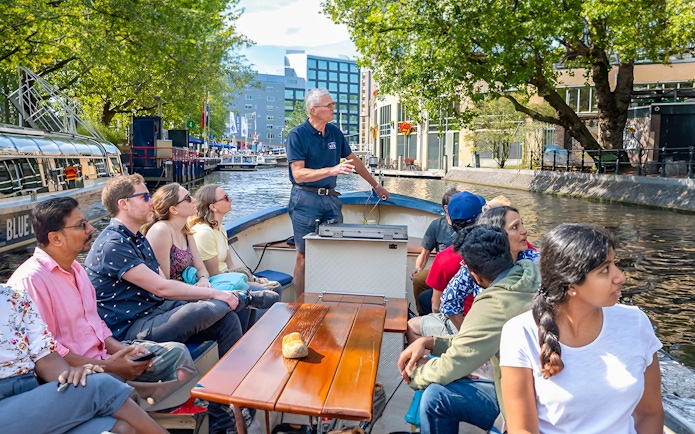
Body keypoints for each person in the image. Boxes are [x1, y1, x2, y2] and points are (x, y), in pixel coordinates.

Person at [84, 174, 245, 434]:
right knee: (207, 307)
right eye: (145, 196)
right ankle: (244, 298)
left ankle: (223, 418)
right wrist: (215, 295)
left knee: (228, 320)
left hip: (156, 312)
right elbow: (160, 287)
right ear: (123, 204)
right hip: (131, 329)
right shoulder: (113, 243)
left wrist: (210, 292)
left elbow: (164, 287)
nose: (151, 202)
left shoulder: (137, 238)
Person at [8, 197, 196, 396]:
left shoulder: (77, 270)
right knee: (118, 384)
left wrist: (124, 350)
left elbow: (96, 326)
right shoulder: (31, 281)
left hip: (103, 357)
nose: (90, 229)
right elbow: (48, 352)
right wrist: (109, 366)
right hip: (78, 373)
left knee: (177, 353)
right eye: (81, 225)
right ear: (56, 238)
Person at [500, 223, 664, 433]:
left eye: (615, 264)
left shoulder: (636, 322)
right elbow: (523, 429)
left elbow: (649, 413)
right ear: (571, 285)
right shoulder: (520, 333)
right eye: (605, 269)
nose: (620, 277)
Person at [397, 225, 540, 433]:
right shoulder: (531, 272)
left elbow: (454, 364)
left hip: (521, 407)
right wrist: (431, 342)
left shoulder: (494, 305)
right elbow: (476, 339)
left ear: (475, 274)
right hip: (534, 391)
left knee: (435, 397)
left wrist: (415, 375)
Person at [0, 283, 166, 434]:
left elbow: (46, 358)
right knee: (100, 385)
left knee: (121, 428)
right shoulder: (30, 279)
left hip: (31, 395)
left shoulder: (14, 296)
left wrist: (71, 375)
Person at [286, 88, 390, 297]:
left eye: (333, 104)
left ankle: (330, 298)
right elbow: (298, 174)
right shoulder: (297, 135)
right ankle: (301, 305)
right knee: (304, 255)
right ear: (314, 110)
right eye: (329, 106)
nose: (334, 108)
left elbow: (354, 161)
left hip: (331, 200)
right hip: (305, 199)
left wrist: (375, 185)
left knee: (335, 249)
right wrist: (332, 170)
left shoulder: (334, 132)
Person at [143, 183, 279, 332]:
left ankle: (248, 339)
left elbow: (202, 269)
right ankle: (244, 304)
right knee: (233, 313)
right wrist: (200, 290)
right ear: (174, 209)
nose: (194, 200)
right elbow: (164, 284)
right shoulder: (161, 230)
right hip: (175, 300)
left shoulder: (185, 231)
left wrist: (202, 280)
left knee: (240, 302)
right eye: (188, 198)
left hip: (194, 289)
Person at [436, 205, 538, 334]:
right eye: (515, 227)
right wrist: (468, 336)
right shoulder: (476, 265)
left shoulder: (535, 262)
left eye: (522, 224)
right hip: (487, 332)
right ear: (497, 233)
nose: (524, 231)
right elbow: (449, 301)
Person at [405, 191, 485, 342]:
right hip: (493, 320)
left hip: (468, 325)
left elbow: (438, 305)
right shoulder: (499, 246)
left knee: (411, 325)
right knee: (421, 285)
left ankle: (431, 356)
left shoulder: (447, 258)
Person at [190, 184, 281, 293]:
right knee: (271, 291)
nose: (230, 200)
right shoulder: (204, 232)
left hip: (228, 276)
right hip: (218, 282)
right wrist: (249, 283)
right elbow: (213, 273)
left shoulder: (220, 229)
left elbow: (230, 265)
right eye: (226, 198)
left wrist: (255, 279)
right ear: (213, 207)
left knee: (274, 286)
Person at [410, 187, 463, 315]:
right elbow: (425, 253)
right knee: (418, 279)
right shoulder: (436, 225)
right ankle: (422, 314)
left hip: (460, 268)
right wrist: (418, 268)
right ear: (446, 208)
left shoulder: (466, 223)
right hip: (441, 268)